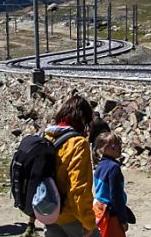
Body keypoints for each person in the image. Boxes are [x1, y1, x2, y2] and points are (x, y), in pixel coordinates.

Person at [44, 95, 100, 237]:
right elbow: (78, 190)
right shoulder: (78, 143)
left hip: (49, 212)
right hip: (72, 217)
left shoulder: (46, 137)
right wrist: (89, 223)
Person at [92, 132, 130, 237]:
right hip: (111, 213)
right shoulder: (114, 168)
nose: (119, 148)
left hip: (99, 210)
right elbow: (116, 196)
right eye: (114, 146)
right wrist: (123, 220)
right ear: (103, 148)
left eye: (119, 144)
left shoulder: (100, 166)